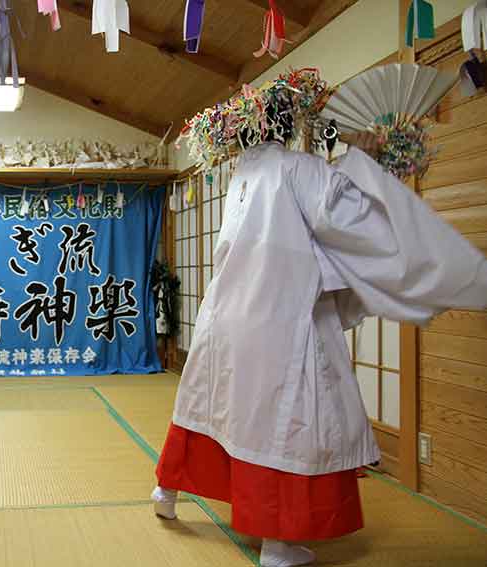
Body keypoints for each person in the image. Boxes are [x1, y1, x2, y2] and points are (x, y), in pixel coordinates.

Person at [153, 78, 487, 567]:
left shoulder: (244, 175)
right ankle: (278, 542)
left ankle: (165, 492)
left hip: (226, 317)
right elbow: (345, 220)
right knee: (282, 423)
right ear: (289, 125)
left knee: (212, 410)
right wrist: (369, 165)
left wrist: (355, 163)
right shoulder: (296, 168)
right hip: (277, 317)